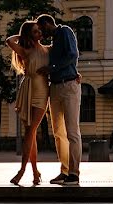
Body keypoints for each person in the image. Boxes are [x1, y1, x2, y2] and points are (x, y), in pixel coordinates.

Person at [37, 14, 82, 185]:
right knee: (58, 133)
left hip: (69, 85)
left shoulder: (65, 32)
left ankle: (74, 174)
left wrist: (52, 68)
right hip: (55, 87)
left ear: (48, 24)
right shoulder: (53, 42)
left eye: (42, 29)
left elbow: (72, 55)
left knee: (72, 132)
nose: (41, 33)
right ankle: (64, 171)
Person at [6, 20, 51, 186]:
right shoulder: (26, 51)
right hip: (28, 89)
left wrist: (75, 74)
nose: (39, 33)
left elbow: (65, 57)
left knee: (30, 131)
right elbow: (9, 41)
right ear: (29, 35)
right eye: (35, 31)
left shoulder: (48, 49)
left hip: (41, 91)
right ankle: (34, 172)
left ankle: (22, 170)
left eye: (39, 31)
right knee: (29, 132)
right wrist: (22, 35)